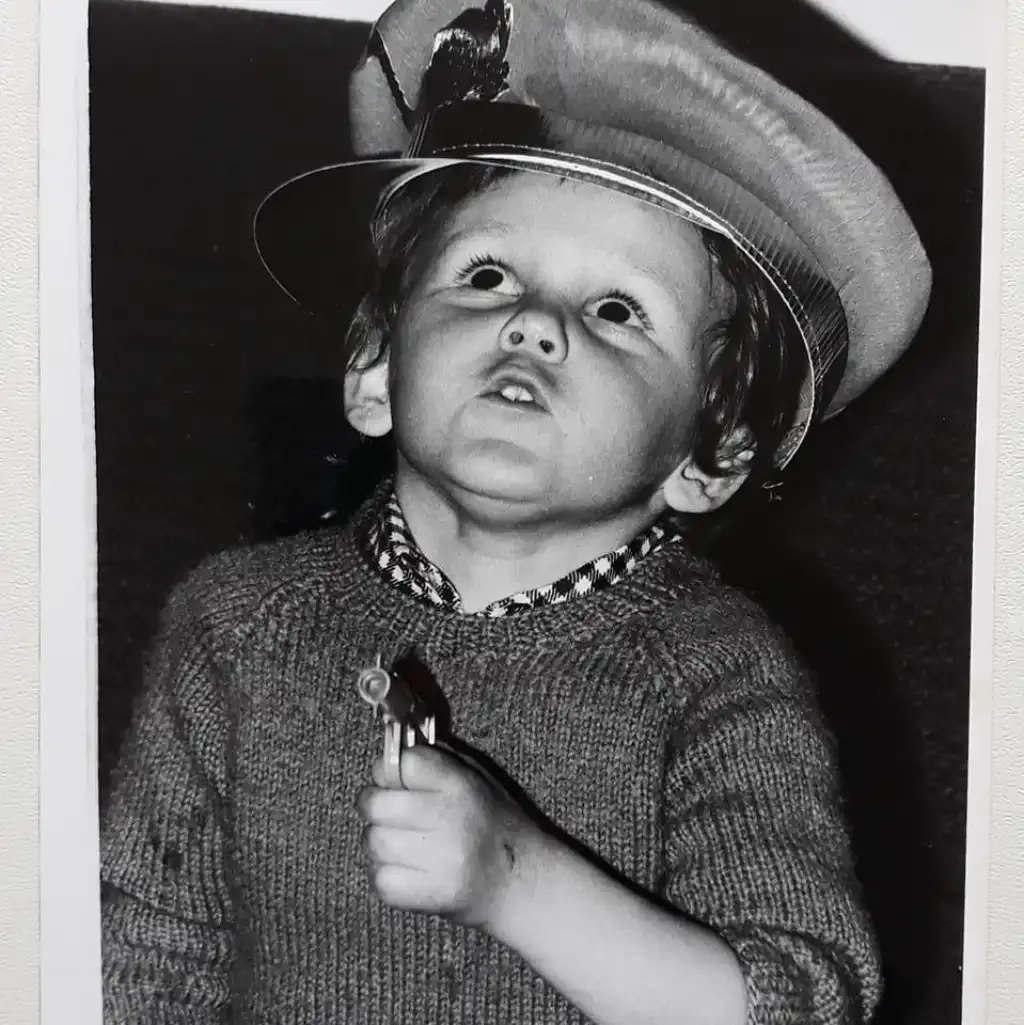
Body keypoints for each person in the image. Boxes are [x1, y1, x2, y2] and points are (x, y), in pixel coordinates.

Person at [99, 1, 932, 1023]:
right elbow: (138, 964)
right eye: (487, 274)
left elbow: (799, 1004)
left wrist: (516, 877)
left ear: (710, 453)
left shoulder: (717, 672)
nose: (534, 323)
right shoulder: (233, 625)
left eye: (617, 310)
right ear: (373, 368)